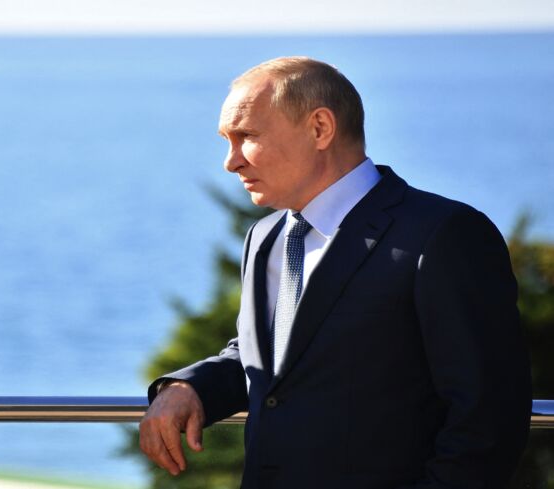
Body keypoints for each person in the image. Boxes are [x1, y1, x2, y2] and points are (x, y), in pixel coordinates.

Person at [138, 56, 531, 488]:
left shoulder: (444, 234)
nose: (231, 162)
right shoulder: (265, 237)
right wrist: (188, 387)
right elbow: (271, 359)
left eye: (246, 136)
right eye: (226, 141)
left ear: (320, 128)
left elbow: (488, 419)